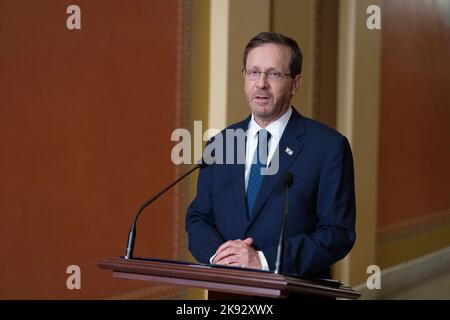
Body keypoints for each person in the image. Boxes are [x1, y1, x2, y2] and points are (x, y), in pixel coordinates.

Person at [185, 32, 356, 279]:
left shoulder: (329, 147)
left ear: (296, 83)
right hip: (228, 293)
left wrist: (262, 260)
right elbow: (199, 217)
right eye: (253, 72)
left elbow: (337, 233)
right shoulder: (220, 143)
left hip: (295, 292)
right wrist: (220, 256)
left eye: (274, 74)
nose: (261, 83)